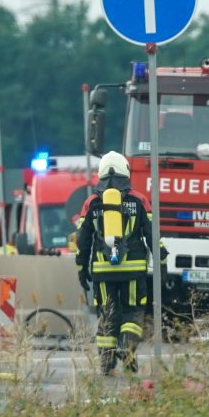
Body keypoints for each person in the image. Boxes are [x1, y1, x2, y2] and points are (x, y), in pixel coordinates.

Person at [75, 152, 165, 375]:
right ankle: (127, 346)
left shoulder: (91, 203)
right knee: (133, 311)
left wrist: (82, 268)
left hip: (102, 270)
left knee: (107, 313)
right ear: (126, 171)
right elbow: (152, 234)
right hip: (133, 270)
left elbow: (82, 240)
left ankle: (106, 364)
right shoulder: (139, 200)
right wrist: (161, 260)